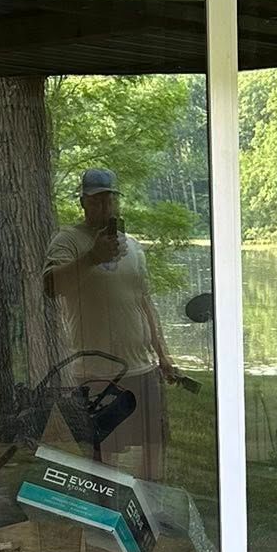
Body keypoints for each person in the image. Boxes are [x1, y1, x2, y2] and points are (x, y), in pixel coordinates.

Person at [41, 166, 182, 480]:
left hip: (142, 368)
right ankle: (106, 519)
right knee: (104, 450)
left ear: (118, 202)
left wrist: (163, 355)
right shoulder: (68, 241)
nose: (104, 207)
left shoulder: (132, 246)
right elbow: (50, 287)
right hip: (97, 371)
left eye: (110, 200)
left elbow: (144, 302)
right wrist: (92, 257)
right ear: (83, 202)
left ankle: (149, 511)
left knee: (153, 442)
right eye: (96, 201)